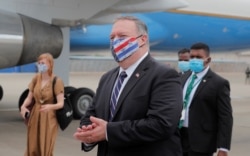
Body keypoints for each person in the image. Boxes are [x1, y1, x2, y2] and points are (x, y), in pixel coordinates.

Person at [73, 16, 183, 156]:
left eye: (122, 36)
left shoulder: (164, 75)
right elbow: (91, 114)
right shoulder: (107, 78)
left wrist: (107, 131)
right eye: (112, 37)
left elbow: (161, 124)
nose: (115, 41)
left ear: (142, 39)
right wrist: (88, 133)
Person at [179, 42, 233, 156]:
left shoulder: (219, 83)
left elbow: (225, 117)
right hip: (179, 137)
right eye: (192, 57)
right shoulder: (183, 77)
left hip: (201, 142)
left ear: (208, 60)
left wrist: (223, 148)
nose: (194, 60)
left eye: (198, 57)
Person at [20, 53, 65, 156]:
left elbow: (61, 103)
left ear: (50, 64)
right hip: (35, 114)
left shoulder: (56, 81)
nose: (41, 65)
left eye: (43, 63)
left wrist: (50, 106)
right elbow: (29, 97)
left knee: (46, 145)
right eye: (39, 63)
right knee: (32, 144)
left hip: (49, 117)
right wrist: (23, 106)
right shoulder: (36, 79)